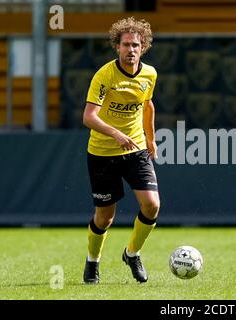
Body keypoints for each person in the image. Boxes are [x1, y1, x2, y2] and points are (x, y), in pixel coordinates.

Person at [82, 17, 159, 284]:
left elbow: (147, 105)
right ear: (117, 47)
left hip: (135, 148)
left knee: (152, 205)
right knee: (105, 217)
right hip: (103, 152)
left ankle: (132, 253)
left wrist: (150, 139)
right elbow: (89, 116)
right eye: (126, 44)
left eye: (136, 45)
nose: (131, 49)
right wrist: (116, 134)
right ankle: (92, 262)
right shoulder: (105, 75)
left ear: (143, 47)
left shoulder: (150, 74)